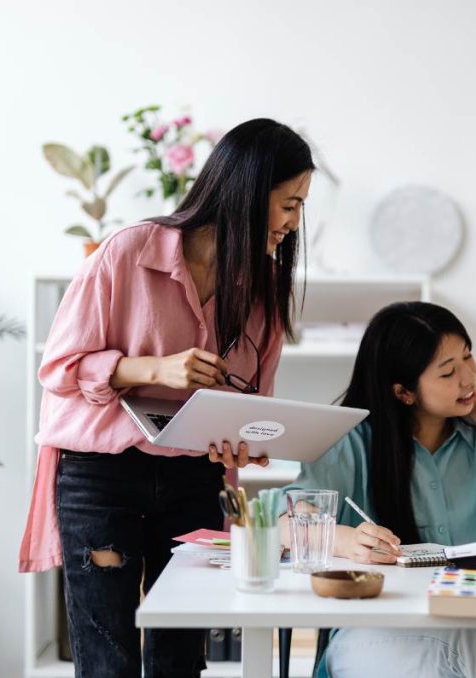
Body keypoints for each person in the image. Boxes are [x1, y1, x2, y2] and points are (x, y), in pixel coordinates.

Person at [18, 118, 314, 678]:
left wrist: (245, 443)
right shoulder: (128, 252)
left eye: (299, 206)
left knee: (180, 664)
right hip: (101, 477)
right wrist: (156, 368)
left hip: (192, 482)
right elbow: (58, 368)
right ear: (248, 192)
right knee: (108, 661)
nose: (294, 222)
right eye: (288, 203)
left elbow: (252, 405)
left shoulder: (266, 289)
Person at [280, 301, 476, 678]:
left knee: (471, 642)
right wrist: (344, 539)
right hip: (378, 627)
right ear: (403, 392)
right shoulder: (350, 441)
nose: (467, 377)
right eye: (448, 372)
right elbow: (288, 520)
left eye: (468, 358)